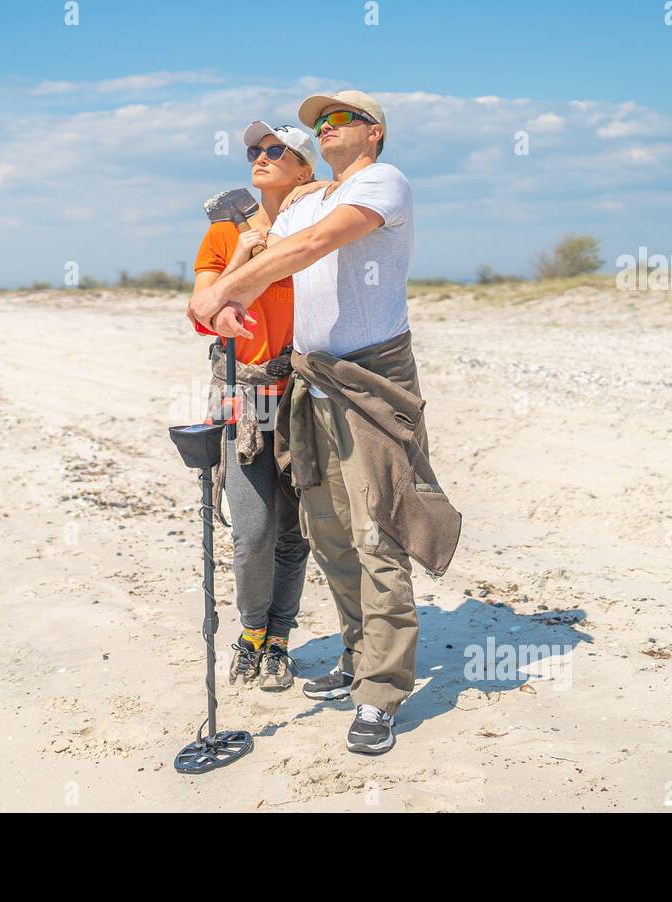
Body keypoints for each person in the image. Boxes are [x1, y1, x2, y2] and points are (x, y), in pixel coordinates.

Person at [188, 91, 462, 755]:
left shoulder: (382, 183)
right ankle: (357, 652)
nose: (327, 128)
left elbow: (312, 245)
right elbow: (251, 257)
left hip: (371, 379)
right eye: (319, 122)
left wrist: (233, 286)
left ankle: (382, 690)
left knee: (377, 534)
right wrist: (222, 291)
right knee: (329, 532)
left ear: (373, 133)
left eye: (340, 120)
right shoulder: (307, 199)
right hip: (309, 382)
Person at [188, 121, 315, 691]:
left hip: (307, 396)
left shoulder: (320, 232)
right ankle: (252, 631)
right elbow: (200, 311)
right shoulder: (223, 234)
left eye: (275, 151)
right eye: (254, 151)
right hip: (243, 396)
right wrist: (242, 252)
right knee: (253, 530)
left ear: (305, 169)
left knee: (297, 530)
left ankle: (280, 638)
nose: (259, 157)